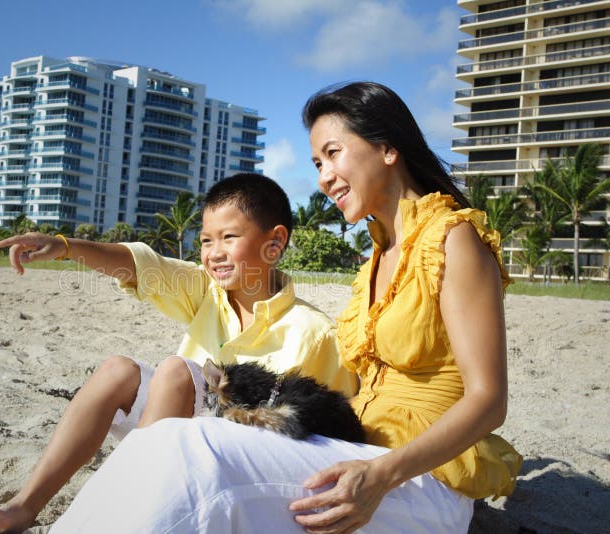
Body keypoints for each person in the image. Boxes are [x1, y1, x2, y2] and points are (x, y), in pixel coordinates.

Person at [45, 82, 523, 534]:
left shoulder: (452, 240)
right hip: (357, 451)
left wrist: (382, 475)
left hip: (421, 480)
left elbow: (488, 402)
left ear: (388, 147)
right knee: (183, 442)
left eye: (333, 153)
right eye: (317, 162)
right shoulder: (379, 255)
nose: (324, 178)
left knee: (192, 448)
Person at [0, 172, 359, 533]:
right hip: (172, 438)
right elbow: (141, 265)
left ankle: (124, 512)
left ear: (274, 243)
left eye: (229, 238)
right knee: (118, 370)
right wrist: (64, 247)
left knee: (176, 371)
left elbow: (330, 428)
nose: (214, 252)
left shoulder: (315, 331)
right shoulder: (207, 292)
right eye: (206, 240)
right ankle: (24, 507)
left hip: (242, 457)